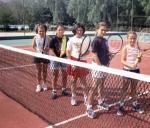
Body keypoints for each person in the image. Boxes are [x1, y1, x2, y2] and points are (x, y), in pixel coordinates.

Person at [86, 22, 110, 118]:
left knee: (101, 85)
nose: (103, 31)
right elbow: (94, 55)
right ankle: (89, 107)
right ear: (97, 30)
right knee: (94, 86)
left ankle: (100, 102)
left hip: (104, 66)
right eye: (102, 30)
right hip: (97, 66)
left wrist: (108, 61)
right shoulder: (95, 41)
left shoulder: (105, 40)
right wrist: (100, 66)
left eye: (105, 30)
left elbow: (106, 53)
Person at [117, 31, 144, 116]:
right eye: (131, 38)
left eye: (134, 38)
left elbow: (139, 61)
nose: (132, 40)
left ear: (136, 39)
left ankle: (134, 104)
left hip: (136, 71)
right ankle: (121, 106)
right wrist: (130, 65)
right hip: (127, 71)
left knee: (134, 89)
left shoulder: (137, 48)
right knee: (124, 89)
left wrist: (139, 58)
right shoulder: (125, 48)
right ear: (127, 38)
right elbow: (122, 60)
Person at [66, 23, 89, 106]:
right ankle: (73, 97)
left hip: (82, 62)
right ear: (75, 30)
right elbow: (68, 52)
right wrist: (71, 63)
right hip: (73, 61)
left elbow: (88, 51)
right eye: (78, 30)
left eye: (81, 30)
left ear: (83, 31)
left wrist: (83, 53)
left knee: (84, 82)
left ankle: (86, 98)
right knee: (73, 81)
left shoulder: (85, 39)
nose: (79, 31)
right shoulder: (71, 40)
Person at [49, 24, 69, 99]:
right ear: (56, 31)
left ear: (64, 31)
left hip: (64, 59)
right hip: (55, 59)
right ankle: (54, 91)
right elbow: (51, 50)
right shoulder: (53, 39)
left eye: (62, 30)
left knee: (64, 75)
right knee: (55, 75)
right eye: (59, 30)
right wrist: (56, 57)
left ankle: (64, 89)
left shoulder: (66, 39)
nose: (60, 31)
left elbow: (68, 49)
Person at [32, 24, 51, 92]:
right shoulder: (35, 37)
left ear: (45, 31)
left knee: (45, 71)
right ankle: (38, 85)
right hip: (37, 56)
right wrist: (38, 50)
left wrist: (47, 48)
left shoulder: (48, 38)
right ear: (37, 31)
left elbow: (51, 46)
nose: (41, 32)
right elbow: (33, 46)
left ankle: (44, 84)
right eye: (40, 31)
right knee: (38, 71)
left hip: (45, 56)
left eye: (43, 31)